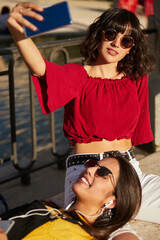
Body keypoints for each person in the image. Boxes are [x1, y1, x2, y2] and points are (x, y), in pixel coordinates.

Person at [7, 0, 160, 229]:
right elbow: (40, 68)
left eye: (126, 40)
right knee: (114, 231)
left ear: (132, 48)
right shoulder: (78, 76)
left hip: (128, 171)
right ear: (99, 34)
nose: (116, 43)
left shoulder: (136, 78)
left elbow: (136, 130)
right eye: (111, 33)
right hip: (87, 175)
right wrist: (19, 34)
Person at [0, 152, 142, 240]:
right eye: (93, 164)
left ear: (112, 201)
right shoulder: (48, 208)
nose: (90, 169)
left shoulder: (83, 236)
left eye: (103, 172)